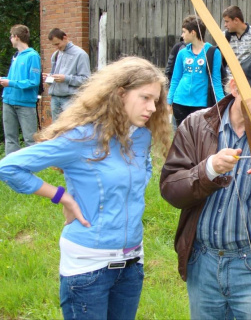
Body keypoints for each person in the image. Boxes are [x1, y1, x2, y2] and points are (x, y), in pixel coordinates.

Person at [0, 57, 172, 320]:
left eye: (156, 101)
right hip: (88, 267)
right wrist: (62, 197)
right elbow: (9, 167)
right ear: (119, 94)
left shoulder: (141, 136)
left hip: (132, 264)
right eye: (145, 98)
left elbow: (141, 175)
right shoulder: (81, 137)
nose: (153, 107)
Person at [160, 52, 251, 319]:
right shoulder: (196, 126)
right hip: (203, 262)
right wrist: (208, 170)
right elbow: (171, 188)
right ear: (233, 87)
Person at [167, 15, 225, 127]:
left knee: (199, 137)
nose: (182, 35)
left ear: (193, 32)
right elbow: (175, 78)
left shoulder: (214, 52)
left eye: (184, 32)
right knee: (181, 137)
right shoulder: (182, 52)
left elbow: (216, 81)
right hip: (180, 101)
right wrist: (169, 101)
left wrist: (222, 104)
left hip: (201, 103)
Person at [1, 24, 41, 155]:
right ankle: (10, 167)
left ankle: (33, 165)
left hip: (25, 103)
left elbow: (33, 81)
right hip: (8, 100)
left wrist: (10, 82)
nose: (10, 40)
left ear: (16, 37)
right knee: (10, 138)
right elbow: (15, 78)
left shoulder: (32, 56)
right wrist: (5, 80)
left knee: (30, 138)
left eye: (11, 37)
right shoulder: (16, 56)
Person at [44, 28, 91, 121]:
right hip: (55, 98)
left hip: (70, 99)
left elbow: (86, 79)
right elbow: (55, 74)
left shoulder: (80, 54)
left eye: (57, 44)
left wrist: (66, 78)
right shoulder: (56, 54)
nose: (56, 47)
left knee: (70, 129)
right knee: (56, 131)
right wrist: (49, 78)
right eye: (54, 45)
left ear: (65, 38)